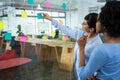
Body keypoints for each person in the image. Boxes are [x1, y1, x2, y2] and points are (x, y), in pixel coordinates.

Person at [43, 13, 103, 80]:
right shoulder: (81, 34)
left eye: (84, 23)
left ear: (91, 29)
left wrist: (92, 74)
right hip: (77, 71)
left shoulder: (98, 45)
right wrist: (50, 19)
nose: (81, 24)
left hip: (86, 75)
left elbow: (99, 65)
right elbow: (66, 29)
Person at [77, 1, 120, 80]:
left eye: (98, 20)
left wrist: (81, 48)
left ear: (105, 24)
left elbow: (82, 75)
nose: (96, 23)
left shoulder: (102, 50)